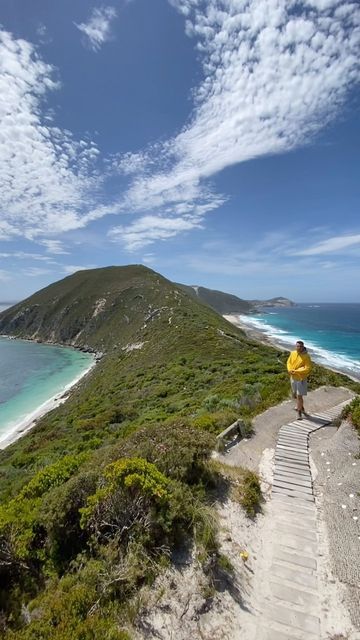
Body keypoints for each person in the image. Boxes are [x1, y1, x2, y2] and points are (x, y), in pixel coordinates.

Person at [287, 340, 312, 420]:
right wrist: (289, 370)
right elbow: (288, 363)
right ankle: (301, 407)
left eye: (300, 346)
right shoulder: (292, 353)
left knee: (299, 396)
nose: (299, 348)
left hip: (301, 379)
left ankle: (299, 413)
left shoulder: (306, 356)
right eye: (297, 346)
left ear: (303, 347)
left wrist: (297, 371)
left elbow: (308, 368)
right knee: (295, 395)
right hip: (293, 377)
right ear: (295, 346)